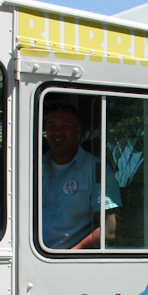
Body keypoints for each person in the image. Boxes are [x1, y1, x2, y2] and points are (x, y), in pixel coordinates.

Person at [41, 103, 121, 249]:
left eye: (65, 126)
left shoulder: (97, 169)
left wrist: (71, 255)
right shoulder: (33, 168)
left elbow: (108, 230)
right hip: (29, 260)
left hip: (68, 264)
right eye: (51, 126)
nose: (57, 132)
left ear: (77, 131)